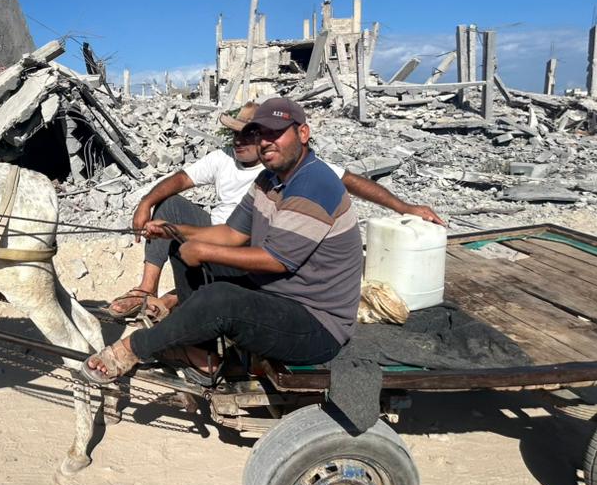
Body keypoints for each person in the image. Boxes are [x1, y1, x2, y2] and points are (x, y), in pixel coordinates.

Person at [83, 97, 365, 384]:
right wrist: (174, 230)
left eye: (276, 133)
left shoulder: (313, 183)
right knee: (184, 249)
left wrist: (204, 249)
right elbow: (232, 233)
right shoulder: (269, 179)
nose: (266, 142)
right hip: (276, 293)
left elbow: (276, 261)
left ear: (302, 133)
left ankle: (131, 349)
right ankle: (201, 354)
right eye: (260, 134)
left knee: (221, 299)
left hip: (315, 322)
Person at [104, 101, 442, 321]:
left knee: (203, 252)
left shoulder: (295, 169)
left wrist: (404, 206)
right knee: (170, 210)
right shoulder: (224, 158)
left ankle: (187, 315)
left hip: (255, 246)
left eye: (250, 136)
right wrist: (146, 203)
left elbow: (353, 182)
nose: (241, 143)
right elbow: (180, 179)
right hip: (223, 231)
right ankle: (146, 290)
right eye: (235, 136)